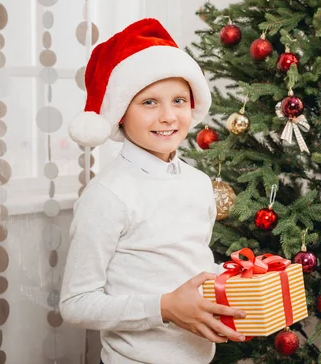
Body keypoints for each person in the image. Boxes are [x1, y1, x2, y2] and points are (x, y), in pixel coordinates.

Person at [60, 18, 246, 364]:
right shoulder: (108, 195)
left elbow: (188, 265)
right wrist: (163, 308)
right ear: (120, 113)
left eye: (178, 100)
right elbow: (76, 304)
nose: (168, 116)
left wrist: (236, 284)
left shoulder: (197, 183)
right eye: (148, 103)